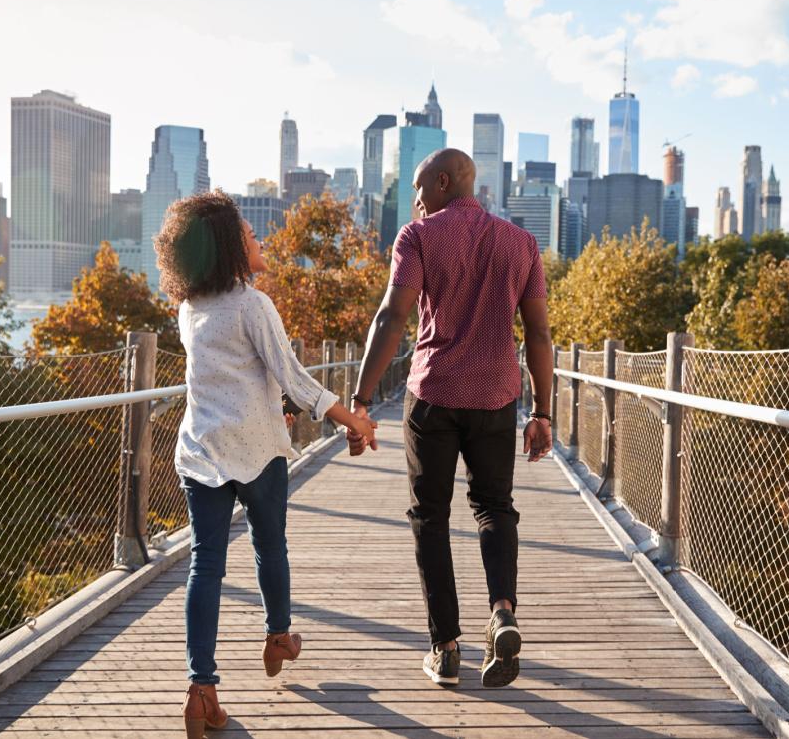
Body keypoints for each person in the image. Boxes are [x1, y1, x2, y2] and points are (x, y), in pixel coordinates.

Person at [153, 191, 378, 738]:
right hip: (256, 452)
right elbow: (293, 376)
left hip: (202, 451)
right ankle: (278, 636)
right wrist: (352, 419)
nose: (262, 241)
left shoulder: (190, 309)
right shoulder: (253, 304)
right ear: (232, 247)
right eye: (252, 236)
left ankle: (201, 688)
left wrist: (275, 401)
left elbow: (231, 377)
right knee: (269, 545)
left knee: (205, 565)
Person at [347, 148, 554, 688]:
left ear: (444, 182)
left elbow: (394, 315)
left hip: (434, 395)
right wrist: (543, 411)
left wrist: (361, 400)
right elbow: (538, 333)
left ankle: (445, 647)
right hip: (496, 397)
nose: (414, 201)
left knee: (429, 516)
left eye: (418, 189)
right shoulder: (522, 242)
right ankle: (503, 611)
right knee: (494, 508)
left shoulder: (417, 238)